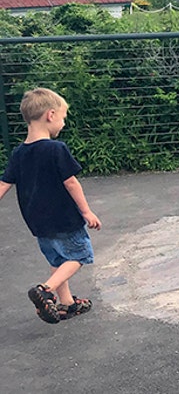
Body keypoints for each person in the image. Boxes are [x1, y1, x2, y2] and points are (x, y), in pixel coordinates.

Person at [0, 88, 102, 324]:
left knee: (57, 259)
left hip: (37, 222)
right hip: (63, 218)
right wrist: (86, 211)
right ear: (50, 115)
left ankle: (67, 303)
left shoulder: (19, 153)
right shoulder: (56, 149)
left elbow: (4, 184)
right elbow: (71, 182)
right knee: (80, 255)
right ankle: (46, 291)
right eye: (63, 118)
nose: (64, 123)